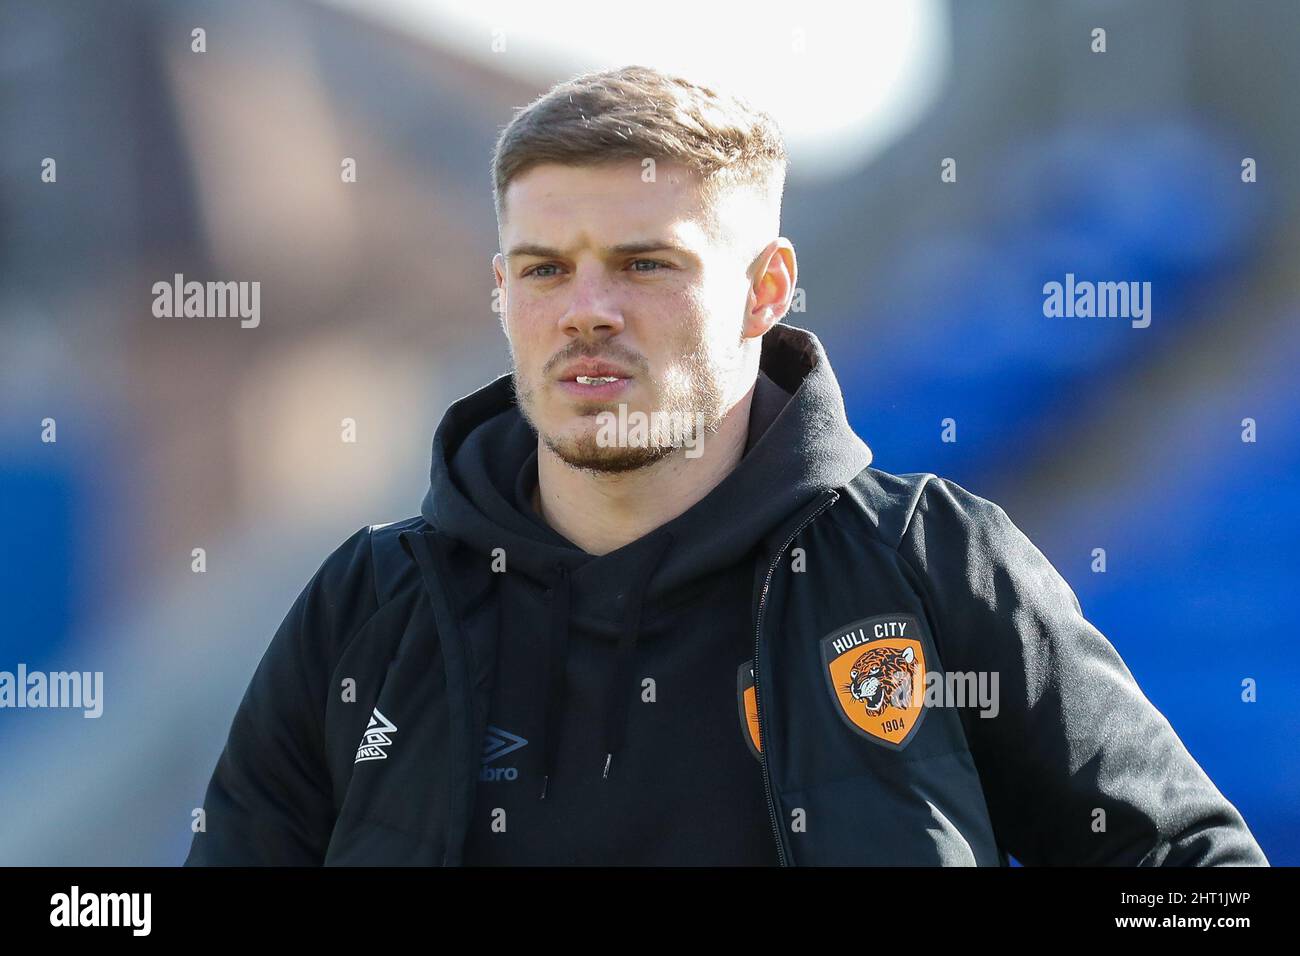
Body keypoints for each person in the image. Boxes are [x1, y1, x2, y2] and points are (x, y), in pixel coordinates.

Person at [185, 64, 1268, 866]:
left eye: (645, 264)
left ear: (764, 288)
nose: (587, 311)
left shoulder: (935, 565)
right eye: (544, 269)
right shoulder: (369, 608)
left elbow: (1193, 876)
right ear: (502, 292)